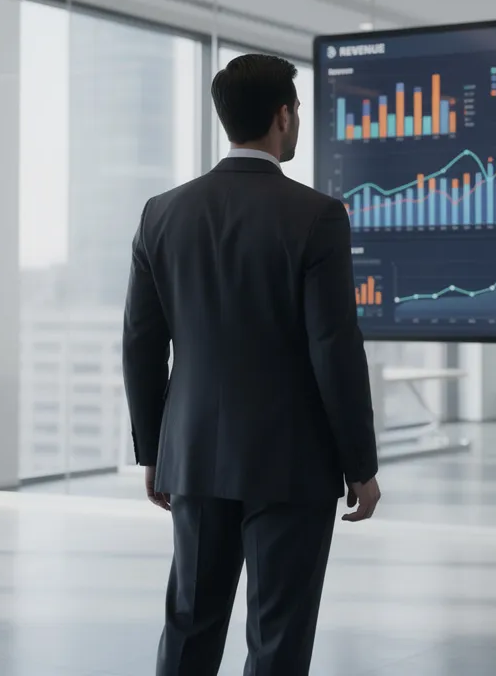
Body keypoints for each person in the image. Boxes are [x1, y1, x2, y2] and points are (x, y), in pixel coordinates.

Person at [122, 54, 380, 676]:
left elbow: (139, 342)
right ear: (282, 116)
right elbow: (335, 347)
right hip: (292, 463)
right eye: (295, 113)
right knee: (278, 636)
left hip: (195, 455)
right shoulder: (316, 216)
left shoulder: (162, 212)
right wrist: (360, 465)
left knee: (189, 624)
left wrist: (154, 451)